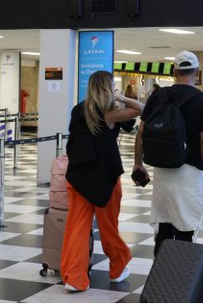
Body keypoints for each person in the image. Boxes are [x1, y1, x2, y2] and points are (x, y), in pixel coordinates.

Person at [133, 51, 203, 257]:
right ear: (198, 72)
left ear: (174, 72)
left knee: (164, 228)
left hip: (162, 171)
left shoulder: (157, 96)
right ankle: (178, 281)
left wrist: (138, 164)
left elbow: (141, 133)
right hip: (190, 174)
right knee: (186, 227)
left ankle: (159, 275)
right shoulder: (202, 101)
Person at [61, 71, 143, 292]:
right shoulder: (109, 112)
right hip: (105, 177)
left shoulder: (79, 110)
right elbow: (141, 109)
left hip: (78, 175)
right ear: (108, 87)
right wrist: (121, 97)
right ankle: (118, 266)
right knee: (108, 227)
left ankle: (74, 278)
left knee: (77, 227)